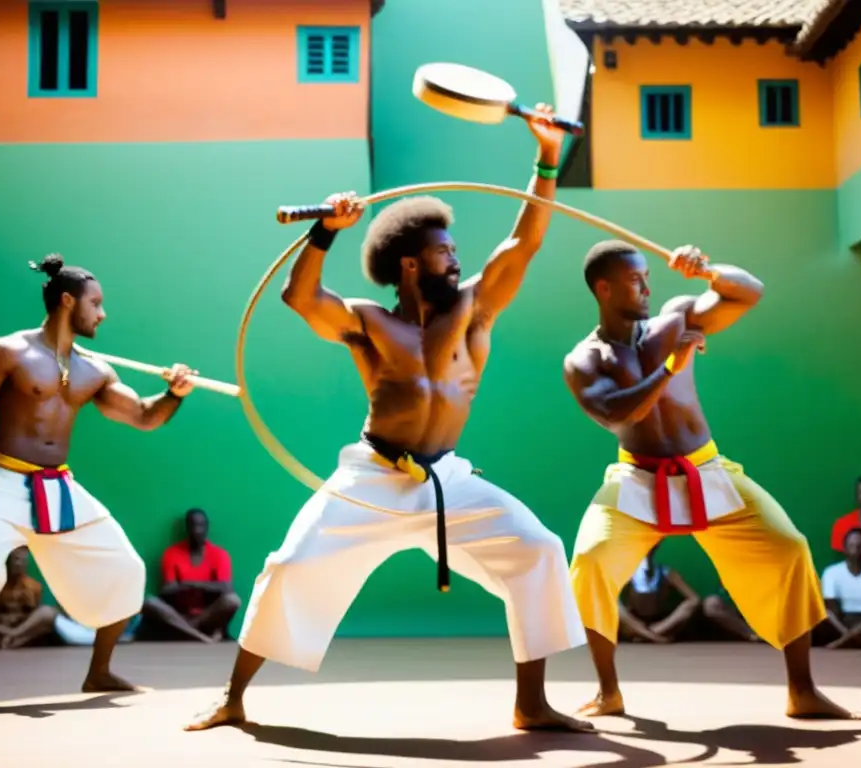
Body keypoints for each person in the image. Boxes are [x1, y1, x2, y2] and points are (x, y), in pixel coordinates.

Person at [186, 106, 592, 734]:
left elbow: (524, 243)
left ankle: (531, 703)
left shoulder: (474, 312)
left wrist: (544, 158)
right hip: (373, 476)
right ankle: (234, 698)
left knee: (538, 549)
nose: (456, 259)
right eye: (442, 252)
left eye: (456, 250)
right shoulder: (369, 323)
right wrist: (326, 231)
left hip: (447, 480)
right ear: (409, 264)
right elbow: (300, 298)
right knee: (291, 567)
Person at [563, 240, 861, 720]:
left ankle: (802, 690)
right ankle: (608, 691)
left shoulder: (676, 319)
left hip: (705, 467)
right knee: (591, 561)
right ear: (603, 287)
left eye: (647, 275)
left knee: (789, 547)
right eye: (634, 279)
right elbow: (620, 413)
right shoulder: (584, 359)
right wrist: (669, 367)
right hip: (636, 476)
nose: (646, 285)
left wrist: (707, 272)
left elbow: (748, 292)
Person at [0, 254, 195, 706]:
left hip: (58, 488)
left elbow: (142, 415)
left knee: (127, 568)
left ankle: (99, 673)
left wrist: (173, 395)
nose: (102, 313)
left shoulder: (93, 370)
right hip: (3, 482)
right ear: (66, 301)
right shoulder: (6, 351)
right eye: (95, 304)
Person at [142, 507, 241, 643]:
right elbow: (166, 589)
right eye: (193, 525)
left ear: (207, 527)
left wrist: (190, 584)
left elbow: (226, 588)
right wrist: (203, 586)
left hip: (207, 615)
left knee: (233, 600)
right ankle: (201, 637)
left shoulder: (219, 554)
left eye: (201, 525)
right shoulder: (171, 553)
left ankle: (188, 631)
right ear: (187, 528)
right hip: (179, 615)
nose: (197, 530)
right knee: (149, 602)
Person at [617, 542, 700, 643]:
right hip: (634, 623)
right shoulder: (627, 571)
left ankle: (647, 635)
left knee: (690, 605)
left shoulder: (666, 572)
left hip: (661, 623)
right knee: (614, 605)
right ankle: (652, 636)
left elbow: (694, 599)